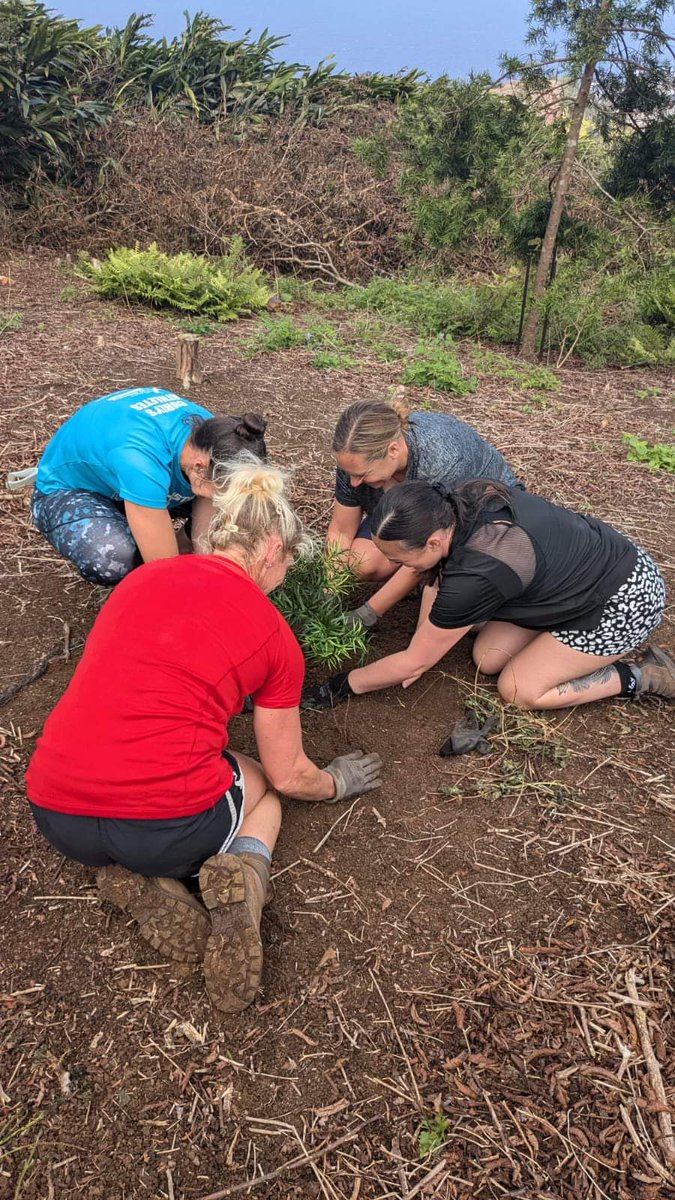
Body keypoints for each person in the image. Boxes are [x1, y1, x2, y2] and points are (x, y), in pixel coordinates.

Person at [26, 455, 382, 1013]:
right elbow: (291, 774)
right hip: (167, 828)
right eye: (287, 563)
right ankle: (244, 878)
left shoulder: (142, 577)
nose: (284, 577)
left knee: (188, 758)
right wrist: (334, 782)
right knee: (262, 781)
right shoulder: (274, 638)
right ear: (270, 552)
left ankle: (145, 881)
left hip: (56, 812)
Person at [304, 479, 674, 713]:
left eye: (399, 558)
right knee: (487, 656)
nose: (391, 563)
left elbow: (413, 661)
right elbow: (435, 578)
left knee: (518, 689)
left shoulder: (477, 574)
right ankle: (558, 642)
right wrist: (425, 643)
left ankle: (640, 676)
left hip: (623, 600)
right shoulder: (456, 502)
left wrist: (342, 684)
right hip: (577, 575)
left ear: (433, 541)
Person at [31, 385, 267, 585]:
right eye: (224, 486)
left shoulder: (219, 436)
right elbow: (165, 571)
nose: (226, 495)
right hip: (70, 489)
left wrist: (209, 572)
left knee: (235, 515)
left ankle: (165, 543)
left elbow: (208, 527)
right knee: (115, 557)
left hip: (133, 474)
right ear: (199, 467)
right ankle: (137, 577)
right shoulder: (141, 461)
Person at [325, 396, 522, 629]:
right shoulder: (354, 462)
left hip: (481, 518)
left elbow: (427, 548)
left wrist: (368, 612)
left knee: (457, 611)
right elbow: (341, 529)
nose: (354, 482)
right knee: (362, 563)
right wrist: (329, 592)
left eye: (363, 475)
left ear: (393, 450)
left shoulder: (441, 464)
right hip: (413, 517)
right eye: (350, 473)